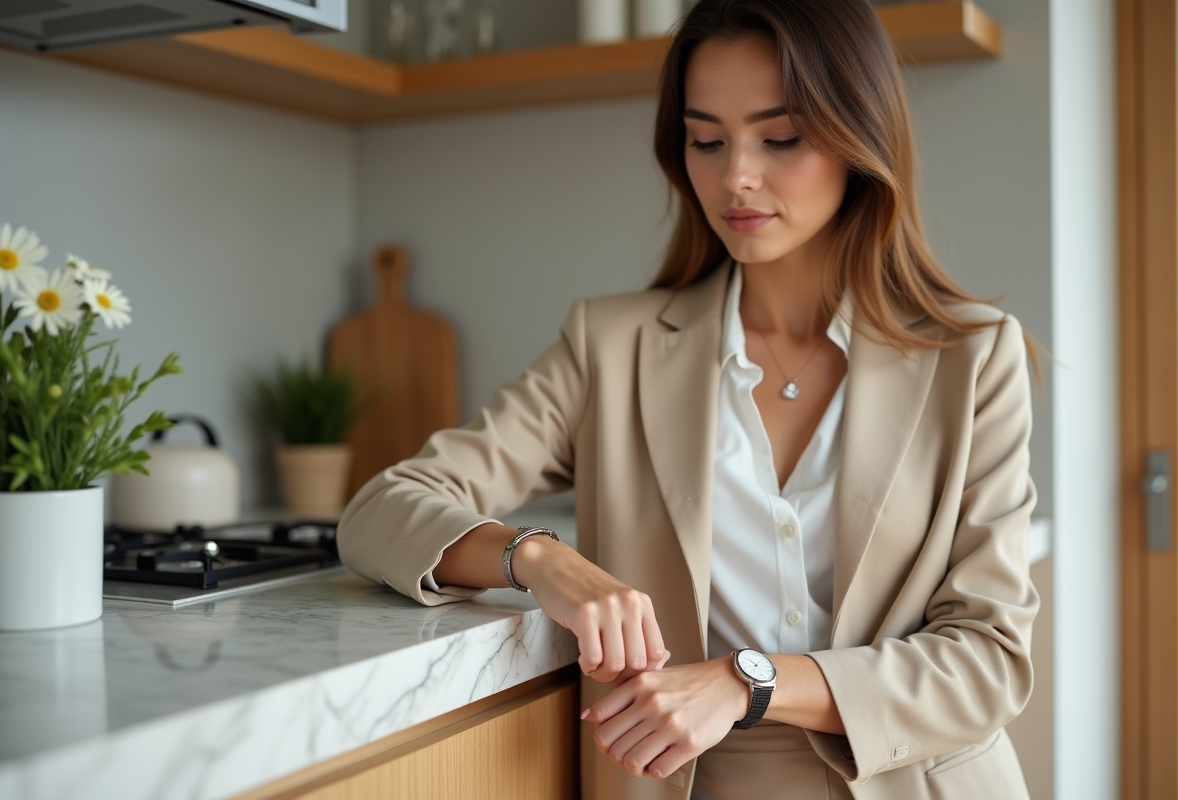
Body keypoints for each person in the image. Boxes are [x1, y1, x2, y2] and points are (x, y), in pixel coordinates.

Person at [336, 1, 1040, 798]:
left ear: (860, 138)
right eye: (707, 140)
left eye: (780, 137)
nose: (735, 174)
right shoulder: (612, 347)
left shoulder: (973, 357)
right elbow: (379, 512)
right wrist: (539, 559)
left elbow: (989, 661)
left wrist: (748, 681)